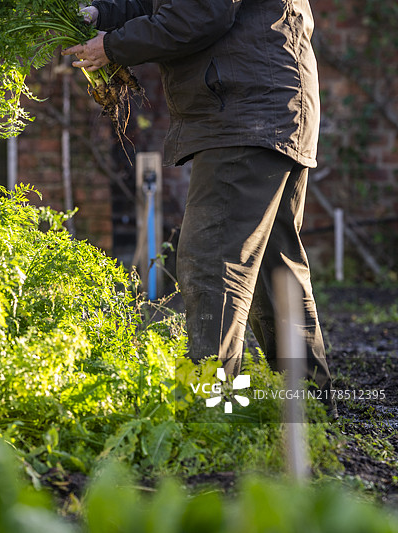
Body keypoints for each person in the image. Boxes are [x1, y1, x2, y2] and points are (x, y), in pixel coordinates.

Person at [64, 0, 335, 414]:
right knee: (271, 269)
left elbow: (199, 14)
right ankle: (311, 412)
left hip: (249, 111)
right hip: (264, 108)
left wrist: (114, 47)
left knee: (213, 259)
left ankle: (210, 413)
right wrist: (105, 14)